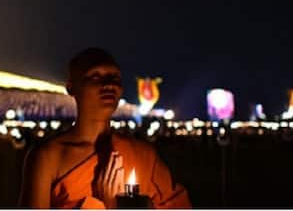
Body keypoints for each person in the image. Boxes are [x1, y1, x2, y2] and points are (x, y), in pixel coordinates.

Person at [18, 48, 191, 209]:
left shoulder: (142, 155)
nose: (109, 84)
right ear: (71, 88)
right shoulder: (48, 157)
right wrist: (104, 205)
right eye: (95, 77)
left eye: (115, 77)